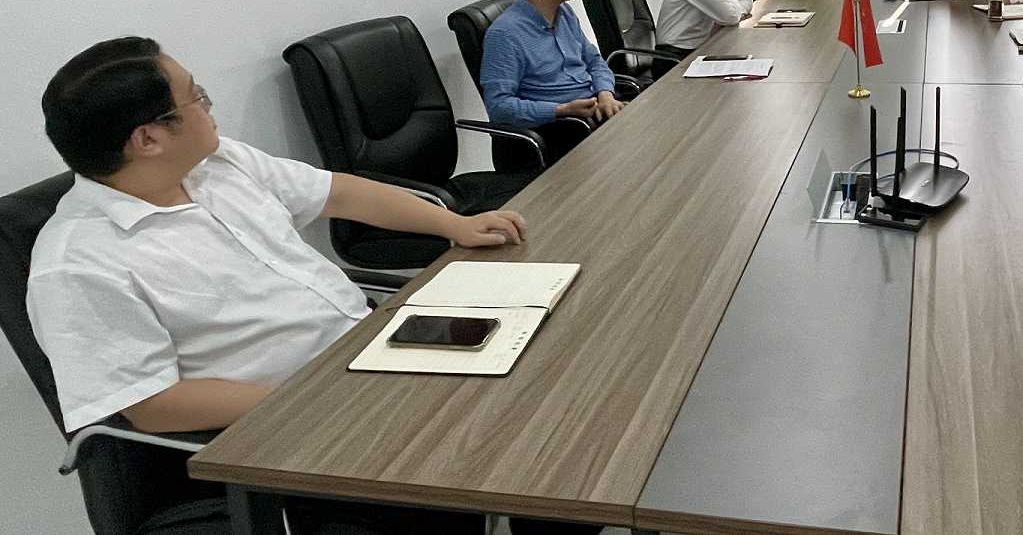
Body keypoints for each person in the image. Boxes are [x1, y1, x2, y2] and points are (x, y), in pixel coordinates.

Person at [27, 38, 596, 535]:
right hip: (291, 427)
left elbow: (338, 193)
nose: (208, 104)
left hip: (372, 354)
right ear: (148, 138)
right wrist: (324, 398)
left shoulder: (216, 164)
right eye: (195, 97)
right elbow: (152, 406)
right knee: (525, 447)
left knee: (561, 389)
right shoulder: (79, 264)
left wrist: (454, 225)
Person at [481, 0, 622, 131]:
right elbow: (499, 107)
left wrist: (605, 93)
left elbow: (594, 61)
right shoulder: (504, 34)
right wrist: (561, 110)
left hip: (594, 109)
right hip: (560, 126)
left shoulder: (565, 13)